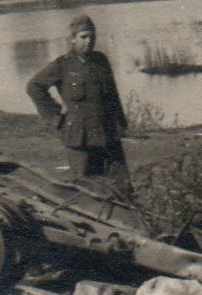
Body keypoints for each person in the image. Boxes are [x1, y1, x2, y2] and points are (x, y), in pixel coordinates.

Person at [26, 14, 131, 194]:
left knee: (123, 186)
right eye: (83, 37)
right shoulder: (63, 65)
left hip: (108, 134)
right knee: (86, 190)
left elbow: (113, 95)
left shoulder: (101, 61)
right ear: (73, 39)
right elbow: (34, 87)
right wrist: (56, 117)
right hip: (79, 137)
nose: (89, 41)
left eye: (92, 36)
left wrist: (120, 123)